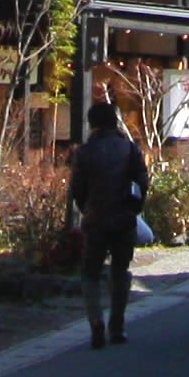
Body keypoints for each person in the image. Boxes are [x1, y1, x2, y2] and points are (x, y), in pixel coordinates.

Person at [69, 99, 147, 348]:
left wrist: (87, 209)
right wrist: (133, 208)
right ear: (115, 121)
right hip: (124, 218)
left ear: (92, 123)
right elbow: (142, 182)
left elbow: (77, 189)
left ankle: (96, 324)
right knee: (120, 272)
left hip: (95, 219)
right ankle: (117, 325)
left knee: (90, 274)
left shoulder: (85, 152)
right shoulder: (129, 148)